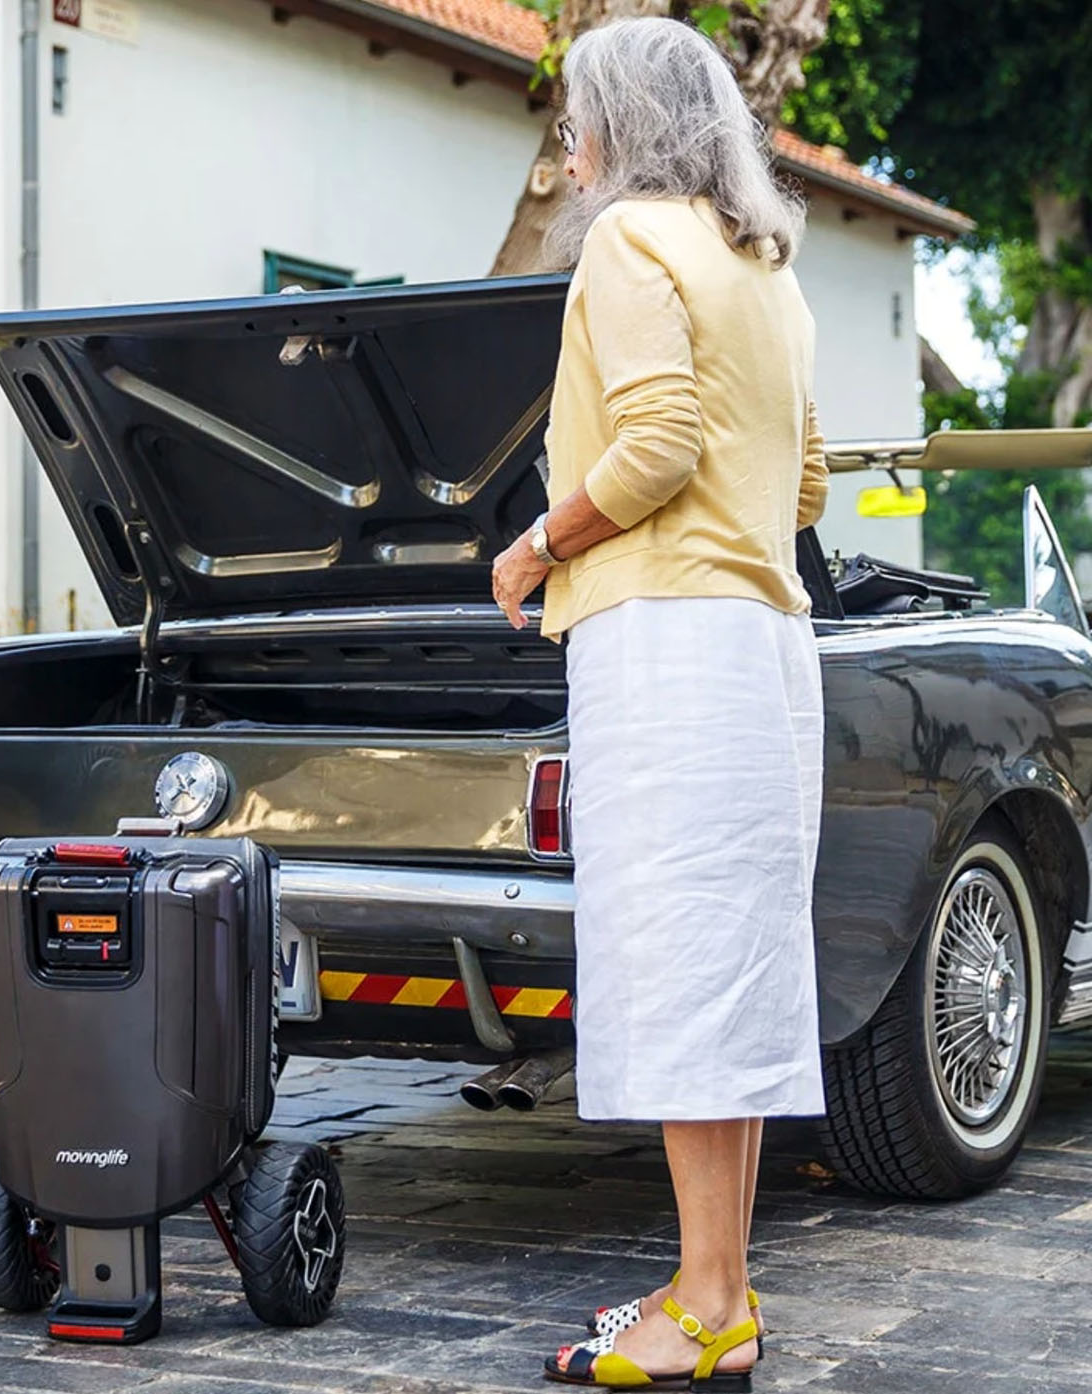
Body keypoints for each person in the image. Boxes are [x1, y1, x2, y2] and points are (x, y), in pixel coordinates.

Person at [488, 18, 829, 1391]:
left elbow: (660, 441)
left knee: (684, 973)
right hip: (766, 645)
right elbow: (805, 486)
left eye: (578, 122)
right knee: (732, 977)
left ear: (620, 127)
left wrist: (536, 544)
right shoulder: (768, 266)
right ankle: (719, 1293)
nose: (570, 149)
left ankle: (700, 1302)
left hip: (670, 648)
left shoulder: (631, 242)